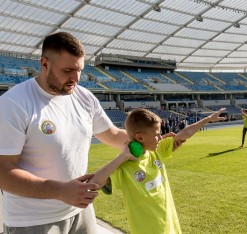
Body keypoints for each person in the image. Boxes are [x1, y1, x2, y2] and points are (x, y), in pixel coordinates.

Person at [0, 32, 182, 234]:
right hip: (33, 221)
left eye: (79, 70)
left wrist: (150, 141)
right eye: (68, 70)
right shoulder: (14, 103)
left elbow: (112, 134)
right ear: (44, 64)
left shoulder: (84, 97)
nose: (75, 79)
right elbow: (3, 171)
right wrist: (59, 190)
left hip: (81, 211)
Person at [88, 107, 226, 234]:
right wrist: (123, 156)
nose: (161, 138)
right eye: (157, 134)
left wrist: (207, 119)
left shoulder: (156, 151)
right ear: (140, 137)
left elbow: (184, 133)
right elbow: (93, 183)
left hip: (170, 225)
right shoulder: (124, 167)